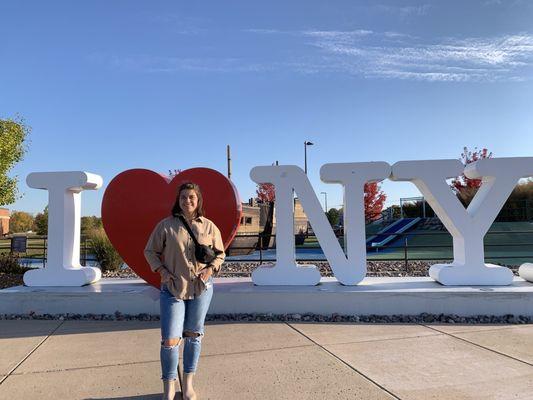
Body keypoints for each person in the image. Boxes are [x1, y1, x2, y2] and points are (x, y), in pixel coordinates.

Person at [144, 182, 225, 400]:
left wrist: (210, 269)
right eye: (183, 197)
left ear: (198, 201)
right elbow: (150, 251)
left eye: (191, 197)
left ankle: (188, 384)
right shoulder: (166, 226)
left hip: (201, 289)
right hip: (173, 289)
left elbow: (220, 253)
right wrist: (161, 270)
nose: (187, 201)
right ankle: (169, 388)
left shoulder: (209, 227)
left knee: (193, 335)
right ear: (177, 200)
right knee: (170, 340)